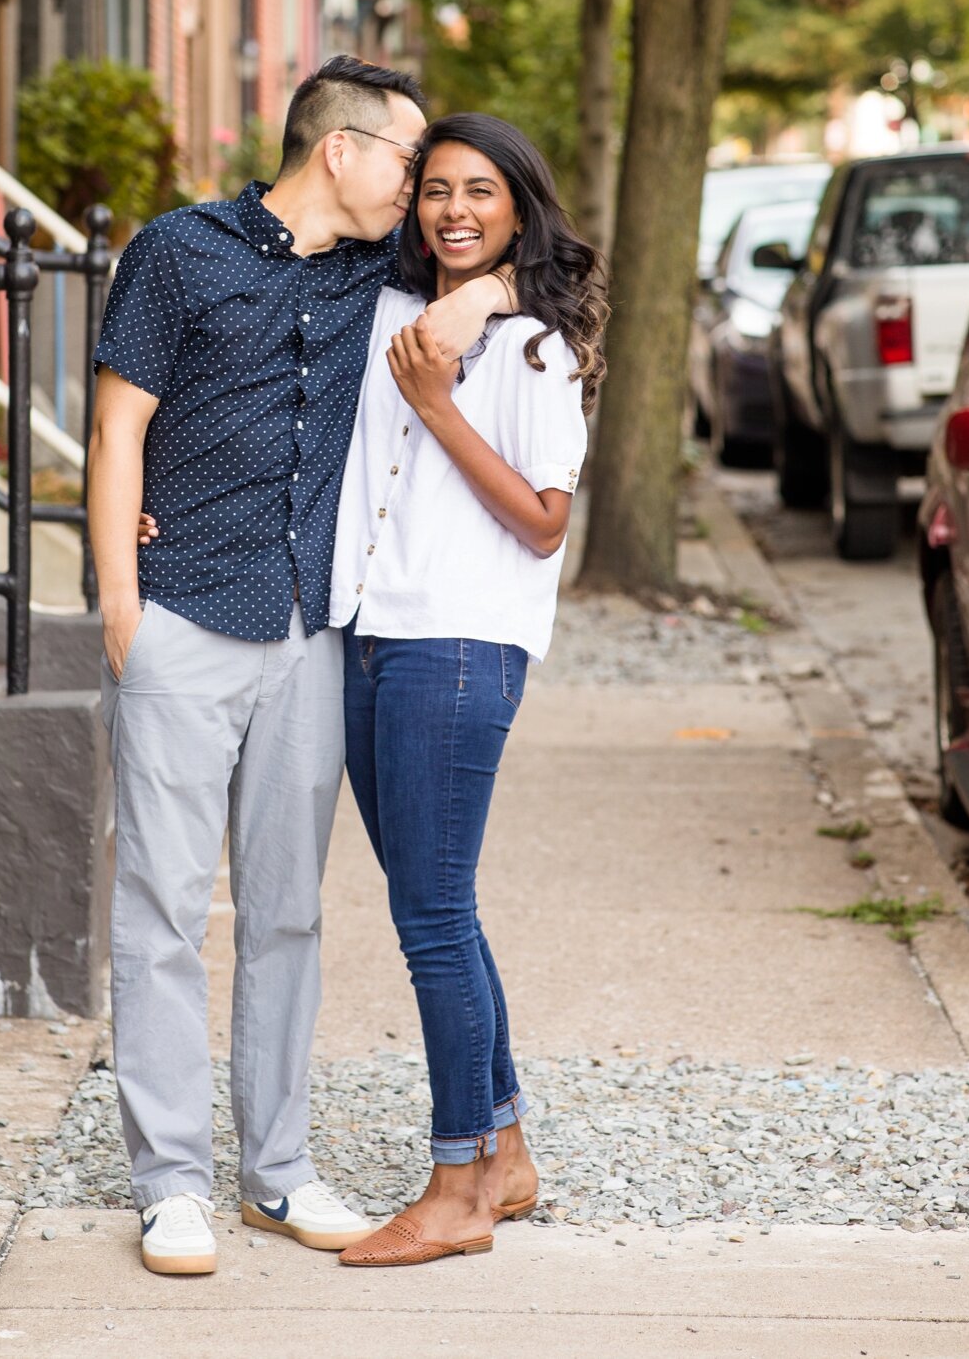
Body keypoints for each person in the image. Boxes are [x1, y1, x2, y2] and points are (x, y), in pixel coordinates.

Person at [86, 56, 513, 1278]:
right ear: (340, 149)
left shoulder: (382, 270)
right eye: (406, 162)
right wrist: (119, 598)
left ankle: (275, 1174)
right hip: (178, 617)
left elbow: (533, 252)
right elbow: (117, 426)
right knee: (161, 912)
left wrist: (477, 302)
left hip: (307, 633)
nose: (424, 191)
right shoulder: (177, 251)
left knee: (285, 912)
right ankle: (171, 1185)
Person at [330, 114, 604, 1268]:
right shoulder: (389, 312)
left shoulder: (536, 348)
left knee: (431, 919)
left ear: (517, 208)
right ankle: (507, 1151)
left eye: (478, 191)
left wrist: (442, 403)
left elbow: (545, 525)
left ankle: (455, 1191)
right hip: (369, 636)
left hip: (460, 647)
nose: (451, 209)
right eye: (434, 188)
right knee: (437, 903)